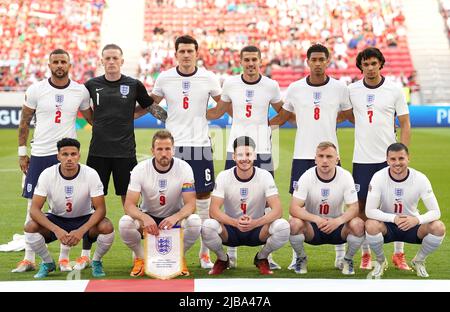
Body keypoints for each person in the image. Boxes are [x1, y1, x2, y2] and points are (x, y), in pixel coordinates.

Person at [83, 44, 167, 270]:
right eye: (107, 58)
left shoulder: (133, 84)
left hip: (125, 153)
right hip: (98, 153)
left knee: (130, 204)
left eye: (115, 58)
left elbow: (151, 107)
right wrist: (96, 122)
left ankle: (138, 255)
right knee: (91, 205)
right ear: (102, 61)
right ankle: (85, 253)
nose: (111, 62)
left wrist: (172, 119)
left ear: (122, 61)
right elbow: (85, 110)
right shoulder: (91, 85)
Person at [269, 43, 352, 269]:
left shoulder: (339, 88)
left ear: (328, 61)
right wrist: (260, 126)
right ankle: (298, 256)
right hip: (302, 155)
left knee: (339, 201)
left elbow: (348, 114)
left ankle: (340, 254)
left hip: (331, 154)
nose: (317, 63)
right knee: (298, 206)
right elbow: (285, 115)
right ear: (307, 62)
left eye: (321, 59)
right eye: (313, 60)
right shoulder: (295, 88)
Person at [14, 49, 93, 273]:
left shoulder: (80, 91)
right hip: (39, 153)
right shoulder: (36, 89)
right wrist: (22, 152)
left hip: (67, 154)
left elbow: (92, 120)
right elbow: (24, 121)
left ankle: (63, 258)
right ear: (49, 64)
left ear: (70, 64)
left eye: (63, 62)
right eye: (55, 62)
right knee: (32, 205)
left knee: (65, 204)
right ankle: (29, 258)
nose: (59, 65)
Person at [206, 45, 284, 270]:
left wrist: (268, 126)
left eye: (254, 60)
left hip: (263, 149)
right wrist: (194, 112)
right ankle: (230, 253)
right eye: (247, 60)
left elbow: (283, 110)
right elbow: (220, 111)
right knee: (230, 197)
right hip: (235, 149)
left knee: (268, 200)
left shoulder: (271, 85)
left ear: (261, 61)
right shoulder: (230, 83)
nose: (251, 64)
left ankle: (267, 254)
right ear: (240, 61)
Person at [149, 35, 222, 269]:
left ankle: (204, 253)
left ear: (197, 53)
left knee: (203, 199)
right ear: (176, 53)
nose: (187, 55)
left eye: (191, 51)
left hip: (200, 146)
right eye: (182, 51)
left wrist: (208, 116)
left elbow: (222, 104)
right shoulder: (165, 77)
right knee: (172, 199)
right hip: (173, 148)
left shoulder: (209, 77)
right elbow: (151, 102)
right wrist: (166, 117)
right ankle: (169, 251)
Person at [346, 47, 411, 270]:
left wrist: (402, 154)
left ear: (380, 64)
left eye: (374, 63)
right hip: (362, 159)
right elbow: (348, 115)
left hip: (388, 160)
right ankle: (366, 254)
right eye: (366, 64)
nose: (370, 68)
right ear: (360, 66)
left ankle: (399, 254)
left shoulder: (394, 90)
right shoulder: (352, 90)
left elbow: (404, 123)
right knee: (362, 207)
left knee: (396, 204)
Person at [24, 138, 115, 278]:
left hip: (84, 218)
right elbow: (35, 209)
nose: (69, 158)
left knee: (107, 227)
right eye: (65, 154)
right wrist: (56, 230)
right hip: (56, 218)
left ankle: (96, 261)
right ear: (58, 156)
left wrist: (81, 231)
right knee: (30, 226)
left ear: (79, 156)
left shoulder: (91, 174)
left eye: (73, 154)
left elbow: (101, 209)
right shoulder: (47, 174)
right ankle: (48, 263)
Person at [201, 136, 290, 275]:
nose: (244, 158)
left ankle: (262, 257)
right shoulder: (224, 176)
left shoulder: (265, 176)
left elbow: (277, 210)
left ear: (254, 155)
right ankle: (223, 259)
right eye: (240, 155)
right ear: (234, 157)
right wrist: (235, 222)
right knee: (208, 226)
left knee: (283, 226)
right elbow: (213, 210)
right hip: (231, 230)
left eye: (248, 154)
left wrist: (255, 223)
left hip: (257, 229)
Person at [118, 130, 201, 276]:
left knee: (195, 221)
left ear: (173, 150)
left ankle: (178, 256)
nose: (164, 153)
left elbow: (190, 204)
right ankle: (141, 257)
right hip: (148, 217)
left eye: (168, 149)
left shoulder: (185, 168)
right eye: (160, 149)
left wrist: (176, 217)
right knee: (125, 223)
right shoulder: (140, 169)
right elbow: (129, 205)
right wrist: (144, 218)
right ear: (152, 151)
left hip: (174, 218)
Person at [365, 143, 445, 278]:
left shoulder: (420, 178)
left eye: (401, 158)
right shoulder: (378, 177)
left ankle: (418, 260)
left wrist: (416, 220)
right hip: (388, 226)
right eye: (393, 159)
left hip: (412, 225)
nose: (397, 163)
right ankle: (380, 260)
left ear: (408, 158)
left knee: (438, 227)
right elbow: (369, 211)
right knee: (371, 225)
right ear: (387, 160)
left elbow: (436, 212)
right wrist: (394, 218)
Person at [289, 142, 364, 275]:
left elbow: (354, 208)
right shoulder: (306, 176)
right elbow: (294, 208)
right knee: (293, 223)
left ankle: (347, 260)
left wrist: (338, 221)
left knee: (358, 224)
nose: (324, 160)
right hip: (313, 228)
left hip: (337, 228)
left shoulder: (345, 176)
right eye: (321, 156)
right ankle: (301, 258)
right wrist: (316, 219)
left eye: (329, 156)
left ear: (337, 159)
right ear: (315, 159)